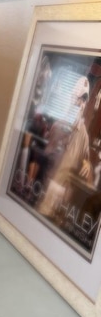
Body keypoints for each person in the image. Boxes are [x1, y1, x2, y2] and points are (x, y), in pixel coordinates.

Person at [37, 75, 91, 221]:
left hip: (64, 197)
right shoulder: (58, 125)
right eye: (77, 98)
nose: (79, 103)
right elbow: (46, 155)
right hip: (48, 187)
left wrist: (87, 164)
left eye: (82, 99)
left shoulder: (84, 135)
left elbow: (86, 162)